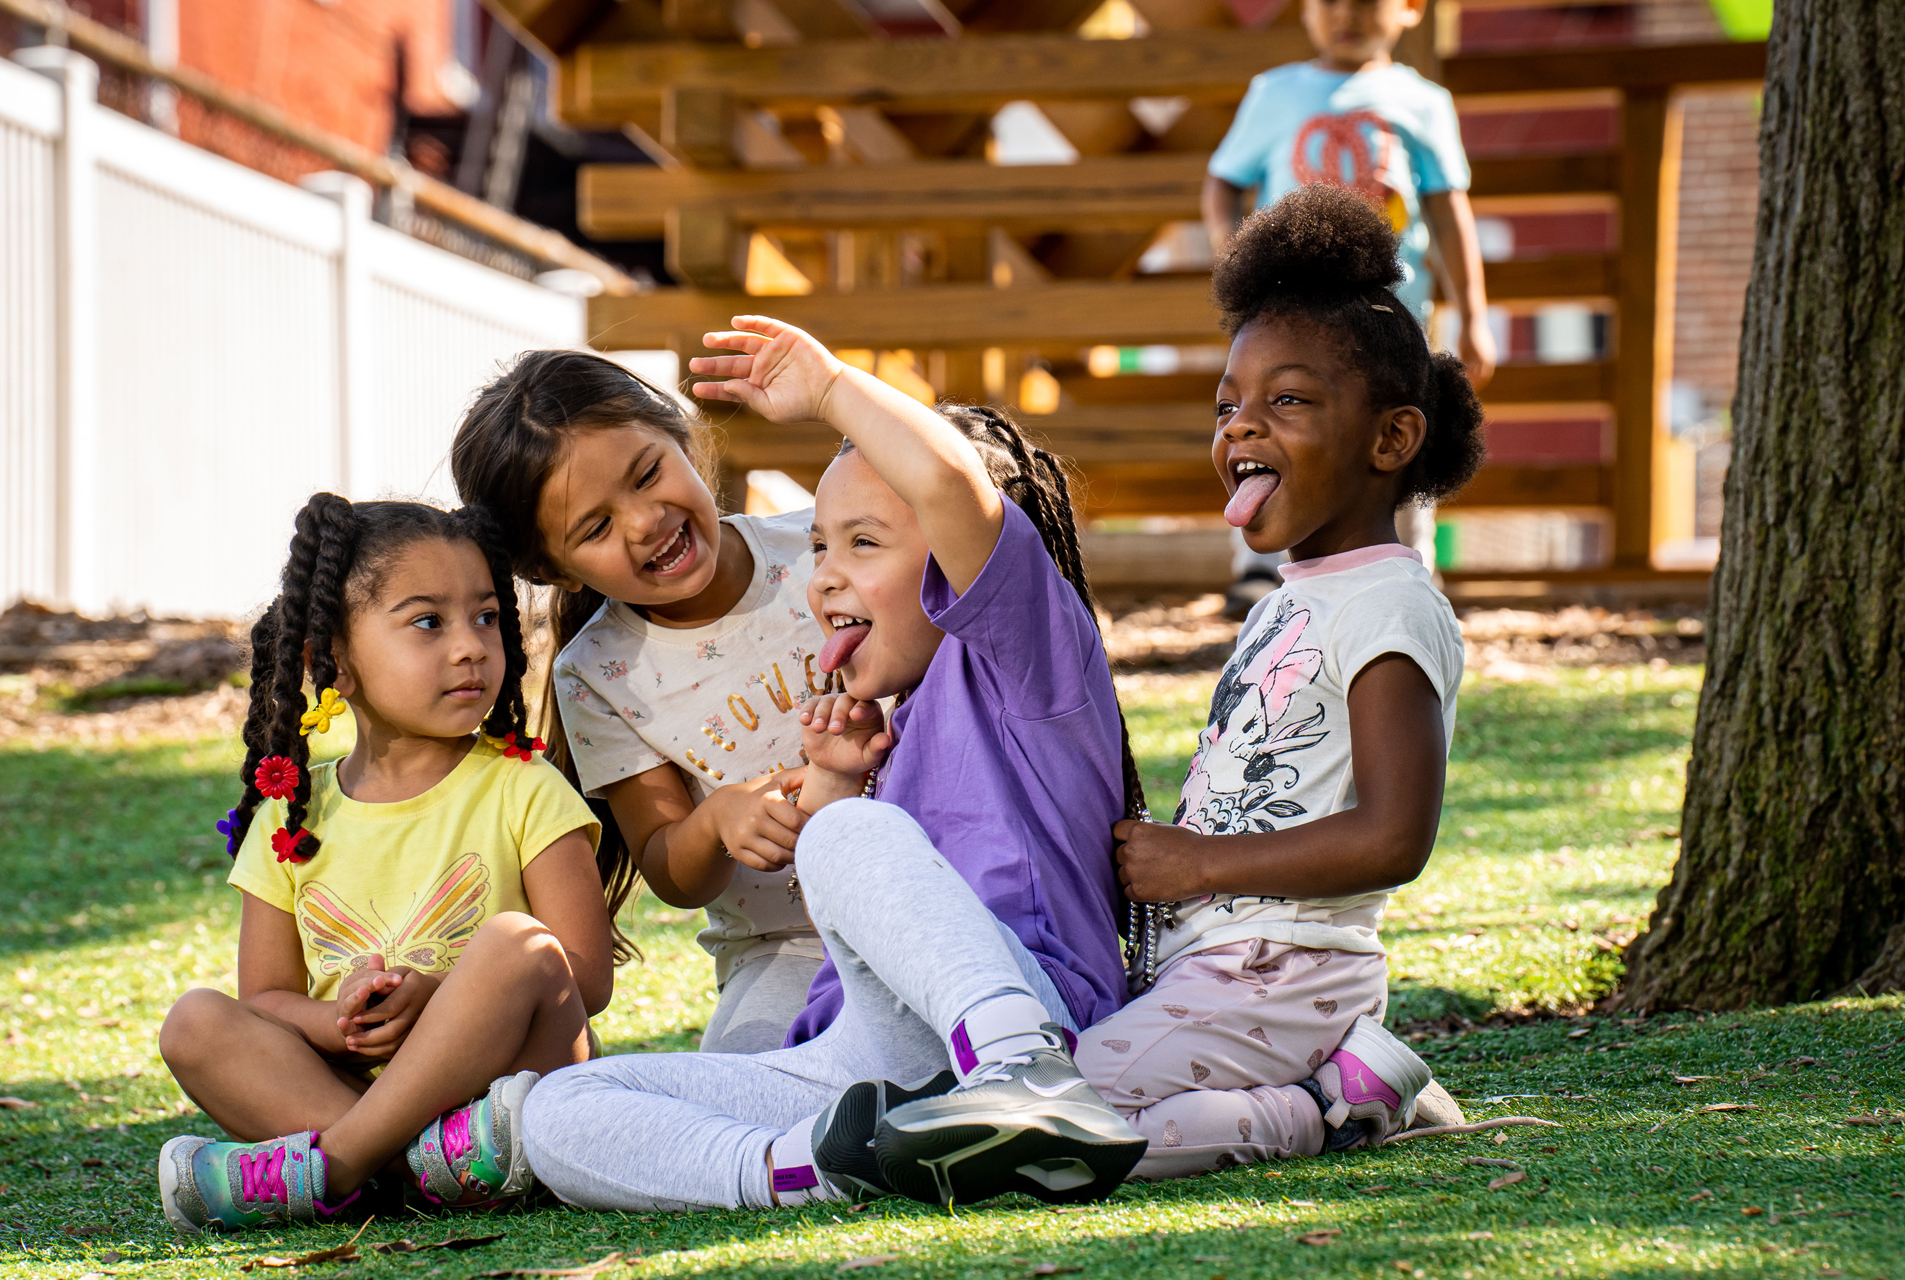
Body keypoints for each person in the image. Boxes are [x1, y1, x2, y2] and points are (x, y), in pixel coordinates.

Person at [515, 316, 1147, 1211]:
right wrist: (833, 783)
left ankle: (1023, 1073)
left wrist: (825, 387)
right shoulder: (887, 718)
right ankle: (821, 1168)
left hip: (1024, 998)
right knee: (562, 1110)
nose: (821, 579)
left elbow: (949, 484)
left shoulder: (1023, 658)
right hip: (871, 1047)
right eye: (818, 547)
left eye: (862, 543)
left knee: (847, 838)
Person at [1075, 184, 1481, 1178]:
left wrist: (1195, 866)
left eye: (1286, 401)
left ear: (1390, 440)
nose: (1241, 429)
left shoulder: (1389, 605)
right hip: (1216, 968)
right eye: (1230, 405)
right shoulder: (1289, 597)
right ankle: (1366, 1079)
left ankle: (1320, 1106)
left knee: (1053, 1123)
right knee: (1029, 1089)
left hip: (1286, 972)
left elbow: (1396, 835)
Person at [156, 496, 606, 1231]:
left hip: (512, 1090)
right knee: (195, 1024)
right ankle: (416, 1170)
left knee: (515, 944)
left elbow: (583, 981)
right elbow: (266, 999)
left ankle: (333, 1169)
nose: (470, 647)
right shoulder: (294, 815)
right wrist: (339, 1023)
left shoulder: (524, 787)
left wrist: (435, 995)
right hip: (355, 1085)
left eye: (487, 616)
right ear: (334, 663)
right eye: (428, 622)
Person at [451, 352, 826, 1055]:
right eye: (594, 528)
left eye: (648, 473)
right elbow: (666, 866)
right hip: (787, 950)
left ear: (683, 437)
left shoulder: (826, 544)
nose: (644, 522)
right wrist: (715, 819)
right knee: (737, 1098)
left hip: (930, 888)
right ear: (551, 570)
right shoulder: (598, 674)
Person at [1202, 0, 1494, 616]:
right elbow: (1223, 180)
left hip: (1396, 315)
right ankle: (1259, 567)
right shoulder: (1275, 93)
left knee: (1401, 428)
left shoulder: (1423, 102)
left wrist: (1476, 313)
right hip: (1294, 317)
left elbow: (1447, 210)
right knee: (1275, 424)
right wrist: (1238, 263)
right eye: (1328, 1)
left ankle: (1409, 565)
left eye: (1366, 2)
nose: (1346, 15)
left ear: (1410, 9)